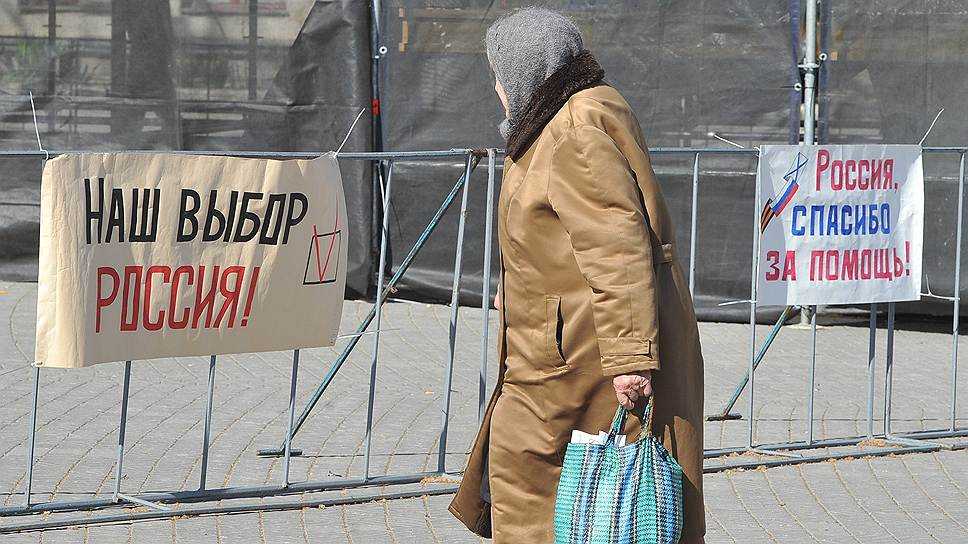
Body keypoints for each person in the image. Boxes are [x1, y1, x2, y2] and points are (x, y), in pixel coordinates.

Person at [448, 7, 706, 544]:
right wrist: (513, 286)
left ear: (525, 72)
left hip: (580, 359)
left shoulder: (571, 131)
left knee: (540, 489)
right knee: (549, 497)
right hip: (569, 346)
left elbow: (617, 247)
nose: (494, 86)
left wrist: (632, 360)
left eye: (498, 72)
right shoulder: (566, 116)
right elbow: (561, 230)